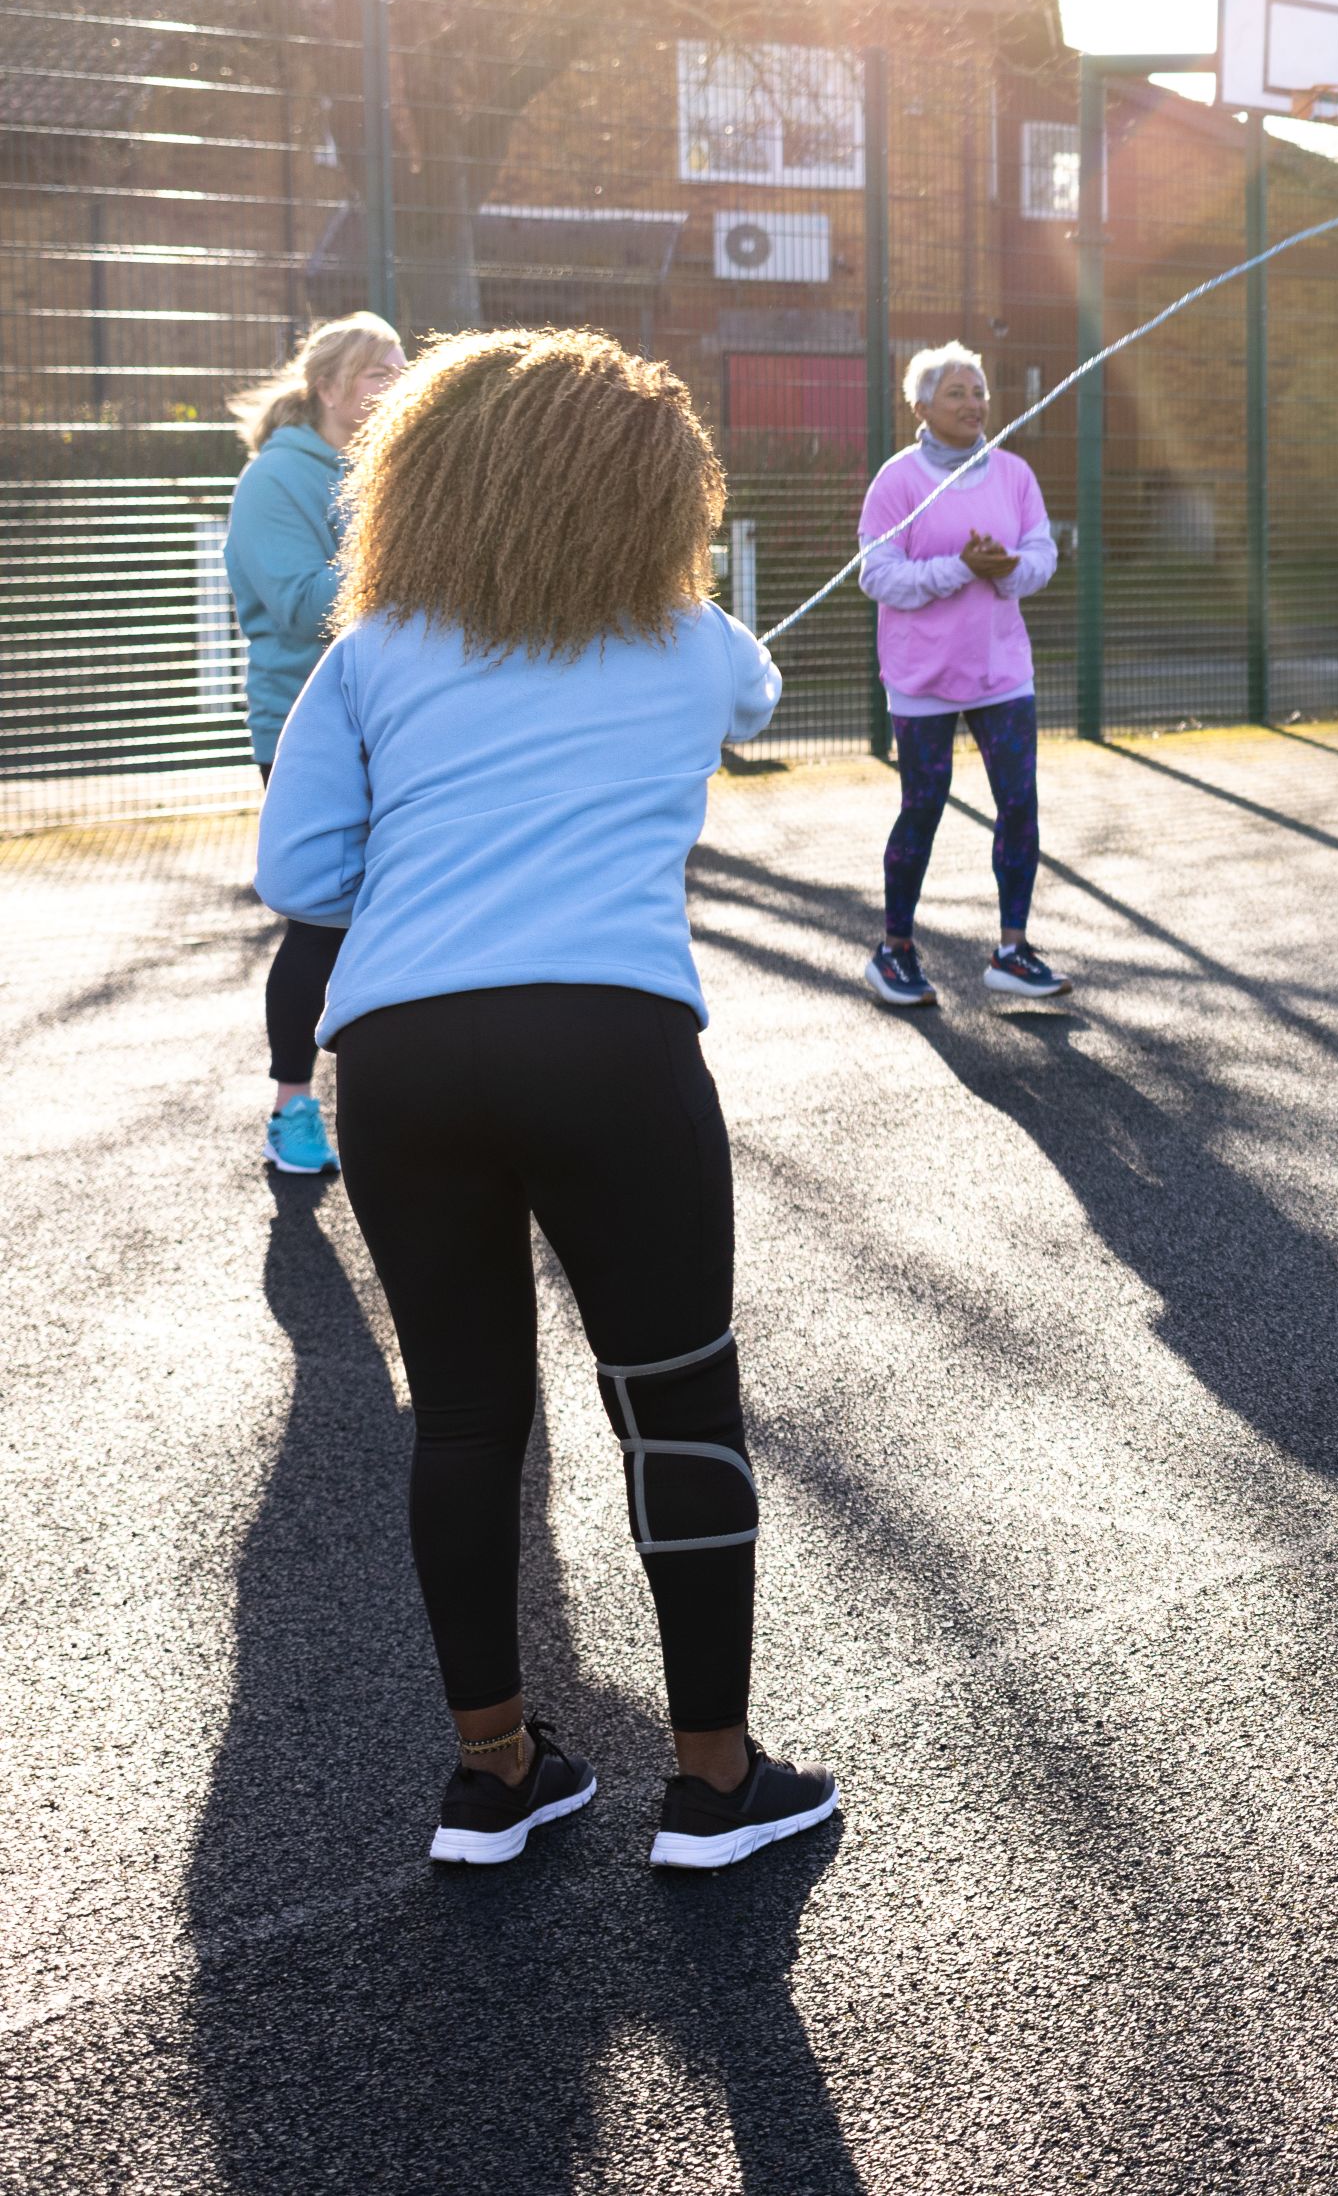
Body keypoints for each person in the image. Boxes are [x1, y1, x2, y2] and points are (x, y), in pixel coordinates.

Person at [255, 325, 837, 1867]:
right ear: (656, 493)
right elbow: (761, 697)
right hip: (610, 1049)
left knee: (463, 1419)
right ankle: (712, 1782)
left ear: (429, 475)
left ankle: (495, 1773)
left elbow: (297, 870)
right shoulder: (689, 635)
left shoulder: (375, 648)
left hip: (400, 1057)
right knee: (676, 1405)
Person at [223, 312, 402, 1173]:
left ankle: (397, 1099)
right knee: (323, 922)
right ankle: (292, 1102)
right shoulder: (274, 481)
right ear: (328, 386)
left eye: (404, 365)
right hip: (304, 727)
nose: (397, 380)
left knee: (403, 911)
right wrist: (411, 556)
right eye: (377, 370)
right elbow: (299, 601)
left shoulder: (395, 473)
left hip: (400, 720)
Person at [853, 343, 1065, 1006]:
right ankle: (894, 952)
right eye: (957, 394)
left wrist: (1007, 569)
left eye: (979, 392)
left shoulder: (1014, 474)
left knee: (1019, 804)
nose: (974, 404)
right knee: (923, 806)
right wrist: (961, 569)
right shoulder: (898, 481)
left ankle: (1012, 950)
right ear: (920, 406)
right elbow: (877, 574)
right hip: (921, 678)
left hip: (1003, 671)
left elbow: (1042, 554)